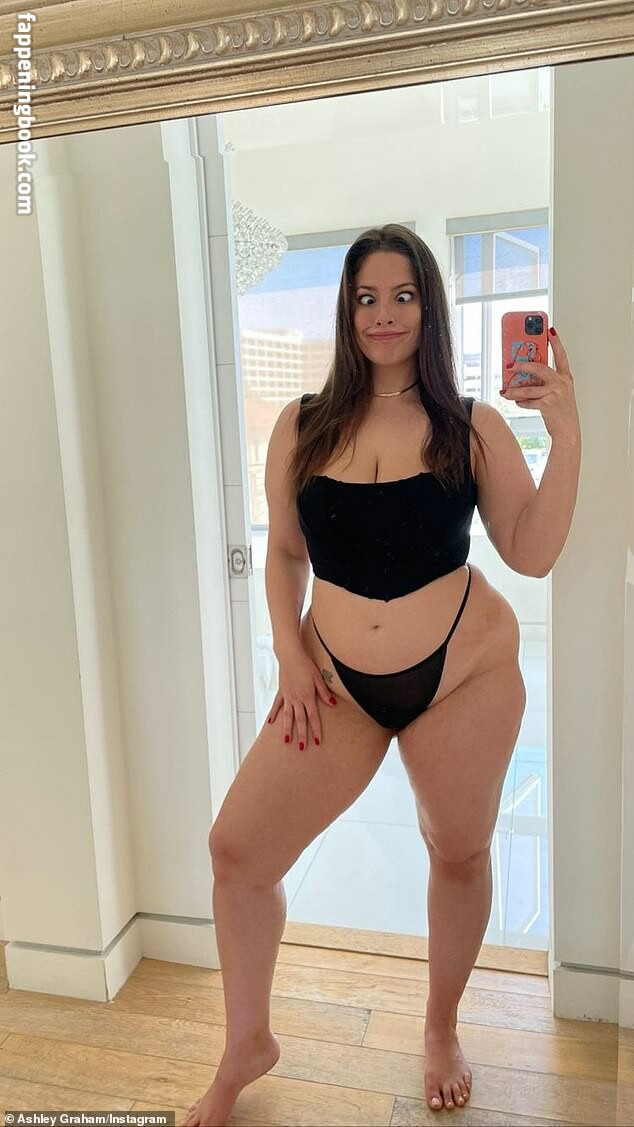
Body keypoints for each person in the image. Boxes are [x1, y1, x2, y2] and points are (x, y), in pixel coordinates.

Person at [185, 224, 582, 1126]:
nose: (384, 314)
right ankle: (246, 1040)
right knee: (237, 852)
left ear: (429, 306)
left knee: (459, 851)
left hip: (463, 674)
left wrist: (565, 434)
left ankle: (440, 1026)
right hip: (334, 681)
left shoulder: (470, 425)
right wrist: (289, 653)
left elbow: (531, 550)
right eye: (366, 297)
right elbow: (286, 552)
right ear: (347, 309)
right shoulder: (302, 424)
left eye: (403, 295)